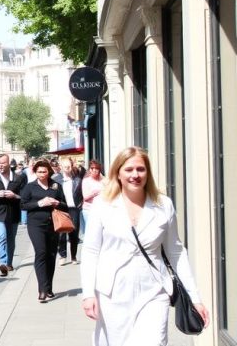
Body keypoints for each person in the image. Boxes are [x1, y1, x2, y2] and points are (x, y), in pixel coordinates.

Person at [80, 147, 209, 344]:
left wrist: (194, 297)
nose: (135, 175)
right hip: (113, 291)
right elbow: (90, 251)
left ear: (148, 173)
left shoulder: (163, 204)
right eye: (129, 170)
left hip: (155, 289)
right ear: (118, 173)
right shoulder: (103, 204)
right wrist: (88, 294)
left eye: (141, 169)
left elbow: (176, 251)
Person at [20, 159, 68, 303]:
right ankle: (42, 289)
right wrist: (40, 203)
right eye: (39, 171)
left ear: (49, 172)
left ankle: (49, 287)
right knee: (41, 252)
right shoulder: (30, 187)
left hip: (53, 224)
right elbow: (23, 205)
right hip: (36, 224)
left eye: (44, 171)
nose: (42, 174)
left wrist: (57, 203)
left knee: (51, 255)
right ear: (35, 172)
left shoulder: (55, 186)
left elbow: (65, 205)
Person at [0, 153, 25, 277]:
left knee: (11, 239)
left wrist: (15, 196)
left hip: (13, 213)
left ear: (9, 164)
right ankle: (2, 263)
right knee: (2, 236)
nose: (1, 166)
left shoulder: (19, 178)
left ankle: (9, 263)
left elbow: (25, 197)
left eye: (3, 163)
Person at [53, 157, 83, 265]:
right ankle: (62, 255)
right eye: (65, 166)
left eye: (69, 166)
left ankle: (74, 256)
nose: (67, 168)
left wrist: (81, 203)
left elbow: (81, 193)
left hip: (74, 208)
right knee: (61, 232)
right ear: (61, 167)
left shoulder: (77, 179)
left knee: (74, 233)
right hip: (62, 208)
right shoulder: (56, 179)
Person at [81, 159, 104, 237]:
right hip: (89, 210)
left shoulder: (104, 180)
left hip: (101, 210)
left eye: (96, 168)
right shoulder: (86, 181)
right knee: (91, 234)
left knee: (100, 233)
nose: (94, 170)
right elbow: (85, 197)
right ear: (89, 169)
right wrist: (95, 193)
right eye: (92, 168)